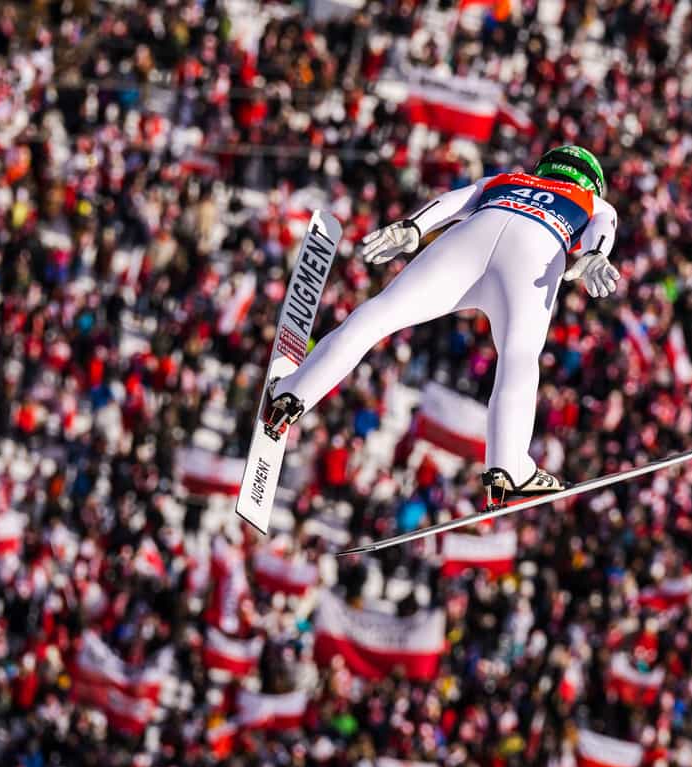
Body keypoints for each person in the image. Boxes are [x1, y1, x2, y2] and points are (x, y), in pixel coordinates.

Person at [265, 146, 621, 508]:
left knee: (381, 313)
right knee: (519, 357)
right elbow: (603, 226)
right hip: (538, 249)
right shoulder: (591, 200)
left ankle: (293, 393)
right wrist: (595, 255)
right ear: (591, 181)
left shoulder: (508, 178)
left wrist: (414, 225)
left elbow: (454, 201)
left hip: (474, 234)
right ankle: (507, 466)